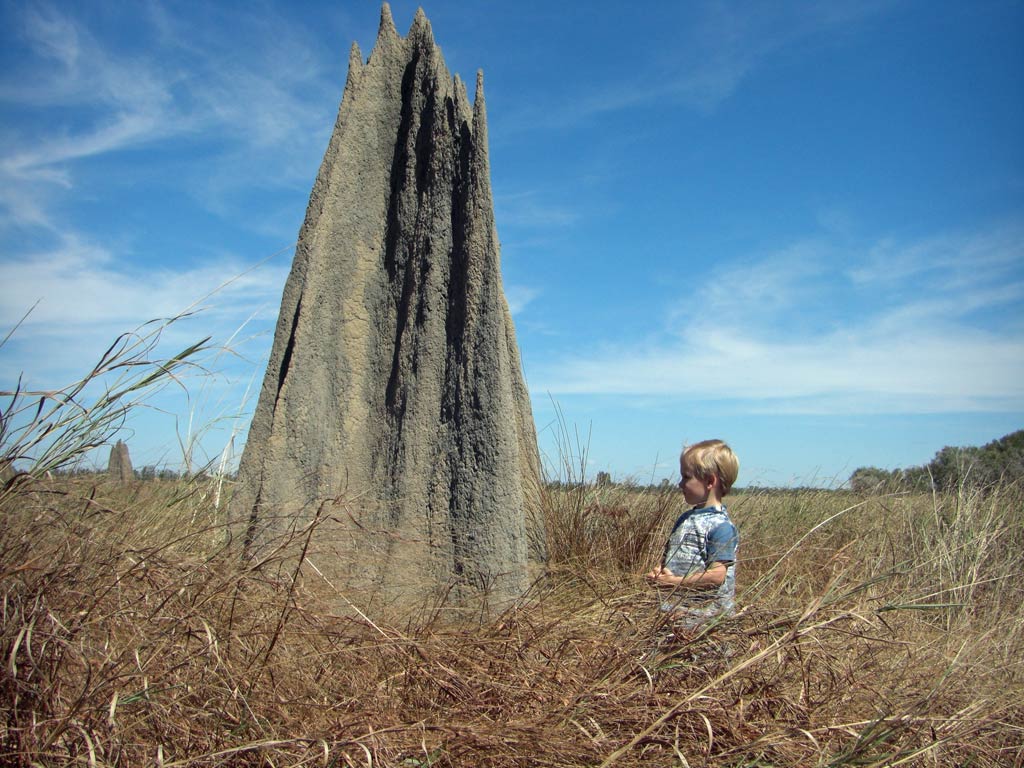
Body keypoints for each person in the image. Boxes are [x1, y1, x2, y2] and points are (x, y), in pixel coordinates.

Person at [645, 439, 739, 631]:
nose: (680, 484)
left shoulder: (721, 527)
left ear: (710, 481)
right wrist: (659, 574)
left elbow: (716, 577)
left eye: (686, 477)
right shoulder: (685, 519)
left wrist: (673, 583)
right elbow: (671, 561)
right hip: (674, 619)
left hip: (704, 625)